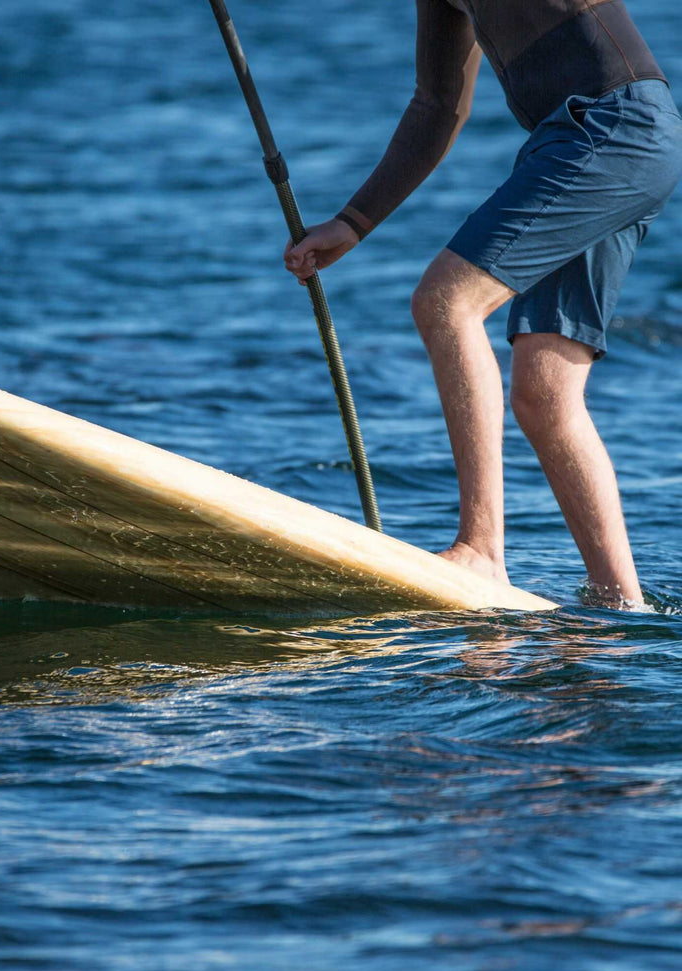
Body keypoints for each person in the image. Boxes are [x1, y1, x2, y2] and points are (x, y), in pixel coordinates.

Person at [284, 0, 682, 608]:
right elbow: (436, 107)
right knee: (546, 394)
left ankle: (481, 549)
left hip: (613, 126)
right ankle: (621, 604)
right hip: (581, 140)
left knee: (446, 301)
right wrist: (353, 222)